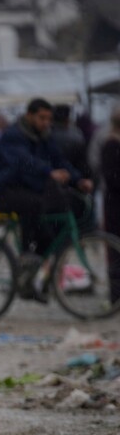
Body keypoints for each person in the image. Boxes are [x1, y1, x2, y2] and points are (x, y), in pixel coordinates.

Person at [0, 98, 92, 300]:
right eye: (42, 118)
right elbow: (25, 162)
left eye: (48, 119)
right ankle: (25, 256)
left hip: (25, 188)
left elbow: (59, 160)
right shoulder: (14, 135)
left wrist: (78, 181)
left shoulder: (44, 136)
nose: (46, 122)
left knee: (49, 236)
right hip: (1, 190)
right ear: (29, 115)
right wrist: (49, 172)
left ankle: (28, 280)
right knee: (34, 205)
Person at [99, 107, 120, 304]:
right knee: (115, 250)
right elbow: (112, 178)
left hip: (113, 203)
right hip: (115, 206)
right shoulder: (111, 145)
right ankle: (116, 295)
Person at [52, 104, 91, 181]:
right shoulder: (76, 135)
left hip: (53, 177)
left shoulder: (47, 135)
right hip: (73, 177)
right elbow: (83, 162)